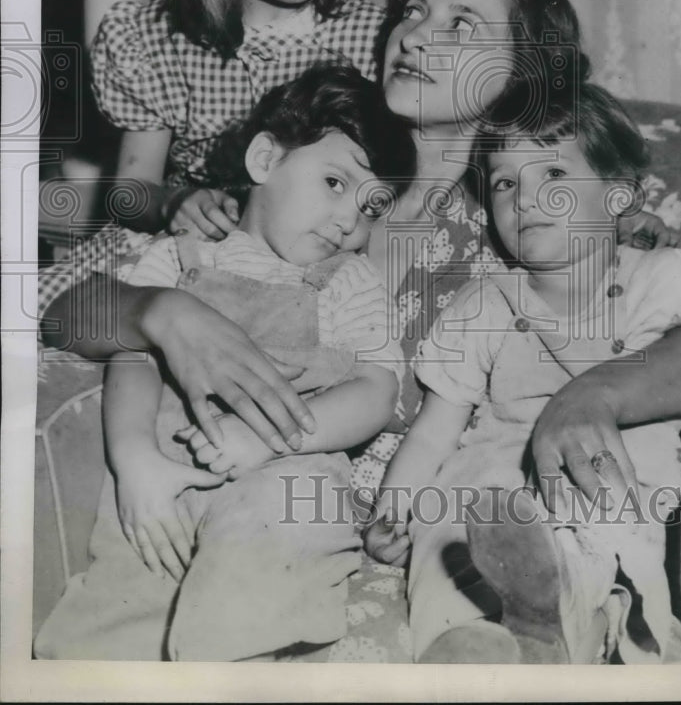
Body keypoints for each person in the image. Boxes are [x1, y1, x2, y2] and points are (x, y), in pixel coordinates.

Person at [41, 0, 681, 662]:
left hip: (403, 528)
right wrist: (161, 313)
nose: (416, 35)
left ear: (522, 74)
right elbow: (66, 308)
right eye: (413, 10)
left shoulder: (531, 220)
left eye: (461, 26)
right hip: (225, 489)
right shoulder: (322, 190)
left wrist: (596, 394)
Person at [34, 64, 415, 661]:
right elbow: (127, 351)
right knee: (119, 605)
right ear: (265, 160)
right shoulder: (180, 258)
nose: (349, 221)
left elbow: (374, 387)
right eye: (336, 184)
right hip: (170, 468)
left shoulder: (349, 281)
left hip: (289, 467)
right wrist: (136, 462)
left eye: (372, 207)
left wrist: (271, 441)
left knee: (264, 561)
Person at [364, 82, 681, 665]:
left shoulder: (670, 279)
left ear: (619, 197)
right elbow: (434, 432)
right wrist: (393, 510)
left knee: (596, 552)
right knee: (450, 538)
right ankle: (467, 646)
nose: (525, 198)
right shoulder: (483, 303)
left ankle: (555, 630)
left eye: (553, 176)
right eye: (504, 183)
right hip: (489, 494)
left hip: (604, 492)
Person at [38, 0, 383, 339]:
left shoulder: (368, 40)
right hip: (183, 263)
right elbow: (129, 193)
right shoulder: (156, 41)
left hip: (308, 265)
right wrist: (173, 202)